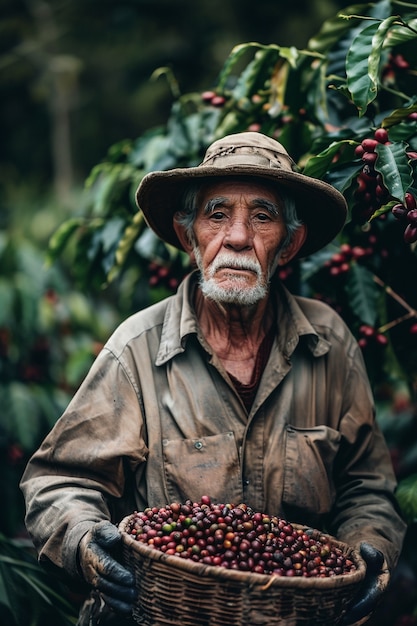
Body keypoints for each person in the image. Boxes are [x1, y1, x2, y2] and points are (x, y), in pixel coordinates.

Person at [21, 132, 406, 625]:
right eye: (217, 215)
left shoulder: (329, 344)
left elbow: (366, 486)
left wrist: (368, 548)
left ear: (289, 244)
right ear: (189, 237)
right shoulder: (137, 349)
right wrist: (86, 540)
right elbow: (60, 480)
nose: (238, 237)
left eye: (263, 217)